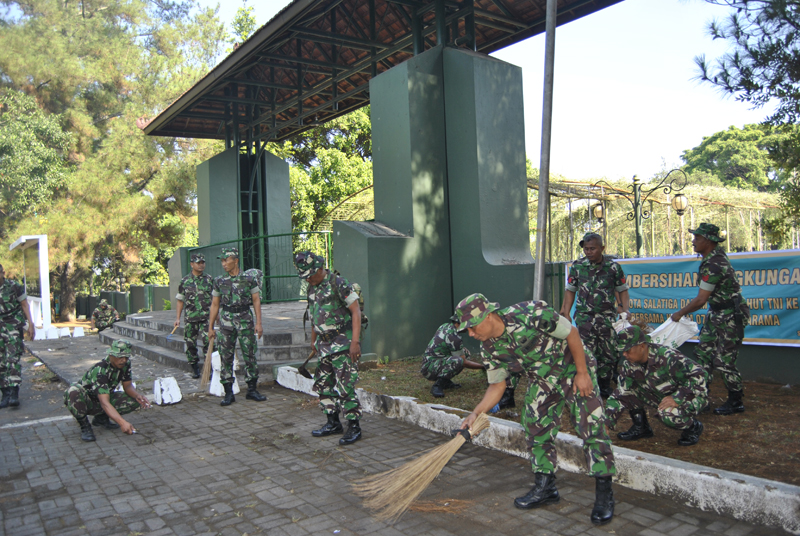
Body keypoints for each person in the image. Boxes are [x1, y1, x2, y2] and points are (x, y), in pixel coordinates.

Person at [454, 293, 616, 525]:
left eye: (472, 326)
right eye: (466, 330)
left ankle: (604, 495)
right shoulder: (489, 348)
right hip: (542, 379)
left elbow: (572, 332)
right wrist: (475, 413)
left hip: (572, 368)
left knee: (591, 426)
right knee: (534, 426)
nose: (470, 333)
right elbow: (497, 385)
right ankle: (546, 488)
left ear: (488, 316)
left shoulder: (531, 313)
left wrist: (582, 373)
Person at [671, 223, 750, 415]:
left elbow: (701, 299)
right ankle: (701, 397)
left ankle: (735, 400)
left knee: (724, 360)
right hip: (717, 313)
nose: (693, 241)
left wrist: (679, 313)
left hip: (731, 315)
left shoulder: (714, 264)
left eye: (697, 238)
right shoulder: (710, 259)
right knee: (703, 355)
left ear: (708, 241)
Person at [294, 251, 364, 446]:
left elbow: (355, 311)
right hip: (323, 346)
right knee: (323, 384)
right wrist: (313, 340)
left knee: (345, 386)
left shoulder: (338, 283)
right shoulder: (311, 288)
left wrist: (355, 342)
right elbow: (313, 316)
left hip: (343, 344)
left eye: (309, 274)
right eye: (304, 276)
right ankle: (333, 422)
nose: (307, 279)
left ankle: (354, 426)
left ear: (319, 268)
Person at [605, 324, 707, 447]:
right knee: (628, 391)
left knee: (668, 414)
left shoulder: (667, 356)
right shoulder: (630, 364)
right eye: (623, 351)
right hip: (661, 395)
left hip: (690, 395)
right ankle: (641, 427)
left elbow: (701, 374)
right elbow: (620, 394)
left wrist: (677, 397)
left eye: (627, 350)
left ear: (642, 346)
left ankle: (693, 427)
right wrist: (606, 423)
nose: (624, 354)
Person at [560, 232, 630, 398]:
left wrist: (625, 309)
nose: (589, 252)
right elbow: (570, 291)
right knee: (586, 352)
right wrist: (566, 312)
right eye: (586, 249)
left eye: (592, 248)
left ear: (602, 248)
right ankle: (590, 383)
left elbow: (623, 290)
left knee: (608, 353)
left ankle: (605, 386)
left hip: (606, 318)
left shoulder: (613, 268)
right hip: (584, 318)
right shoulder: (577, 267)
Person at [207, 247, 266, 405]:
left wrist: (259, 323)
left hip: (245, 319)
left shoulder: (248, 278)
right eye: (222, 261)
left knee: (250, 355)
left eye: (226, 260)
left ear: (236, 260)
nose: (224, 263)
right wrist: (210, 327)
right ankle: (228, 392)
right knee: (225, 356)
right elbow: (214, 304)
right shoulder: (219, 281)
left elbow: (256, 300)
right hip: (226, 321)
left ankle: (252, 390)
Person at [63, 340, 152, 442]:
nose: (123, 360)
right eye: (120, 357)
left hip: (104, 397)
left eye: (126, 357)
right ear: (111, 355)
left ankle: (101, 419)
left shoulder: (125, 364)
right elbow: (104, 403)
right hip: (87, 401)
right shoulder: (101, 370)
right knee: (73, 392)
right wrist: (122, 423)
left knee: (134, 401)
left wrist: (137, 395)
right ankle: (85, 426)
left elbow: (127, 386)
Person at [0, 265, 35, 408]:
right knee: (1, 362)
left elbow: (24, 304)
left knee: (12, 358)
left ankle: (14, 392)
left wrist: (30, 324)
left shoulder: (14, 286)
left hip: (13, 325)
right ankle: (5, 393)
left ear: (2, 273)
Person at [421, 321, 485, 398]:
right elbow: (464, 362)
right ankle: (438, 385)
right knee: (459, 361)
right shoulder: (455, 337)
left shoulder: (445, 326)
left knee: (464, 354)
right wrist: (482, 366)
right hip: (429, 369)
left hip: (428, 363)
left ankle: (446, 381)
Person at [174, 253, 213, 379]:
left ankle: (210, 368)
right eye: (198, 263)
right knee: (190, 344)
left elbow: (215, 299)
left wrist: (216, 315)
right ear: (192, 264)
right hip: (191, 318)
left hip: (207, 317)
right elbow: (180, 300)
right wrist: (177, 318)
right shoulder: (185, 281)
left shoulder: (209, 279)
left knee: (209, 342)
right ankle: (195, 368)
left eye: (203, 262)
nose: (201, 265)